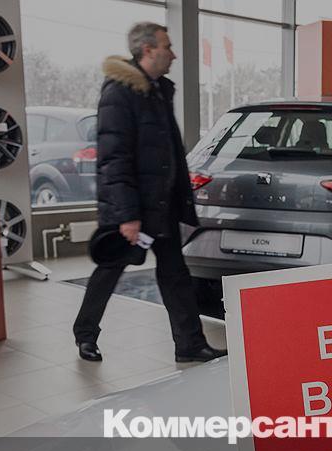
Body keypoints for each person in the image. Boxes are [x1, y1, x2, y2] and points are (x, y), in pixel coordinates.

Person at [73, 22, 226, 364]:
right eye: (167, 46)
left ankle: (190, 344)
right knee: (110, 270)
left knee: (175, 275)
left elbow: (167, 153)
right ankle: (85, 335)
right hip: (134, 209)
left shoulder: (158, 90)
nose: (173, 54)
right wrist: (128, 216)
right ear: (147, 50)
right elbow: (114, 160)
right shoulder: (120, 93)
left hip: (162, 204)